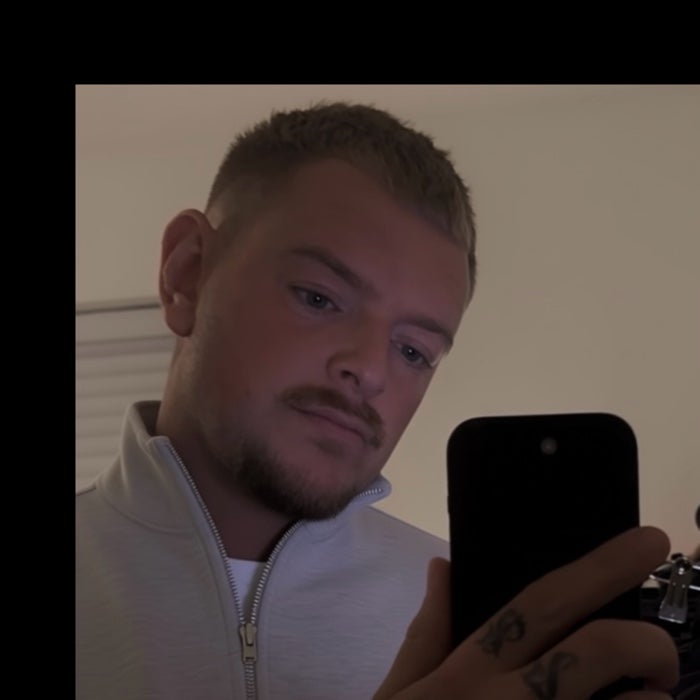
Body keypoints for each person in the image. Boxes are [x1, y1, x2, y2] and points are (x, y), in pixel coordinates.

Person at [76, 102, 679, 699]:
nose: (367, 369)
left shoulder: (475, 632)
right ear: (187, 274)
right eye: (318, 298)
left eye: (413, 351)